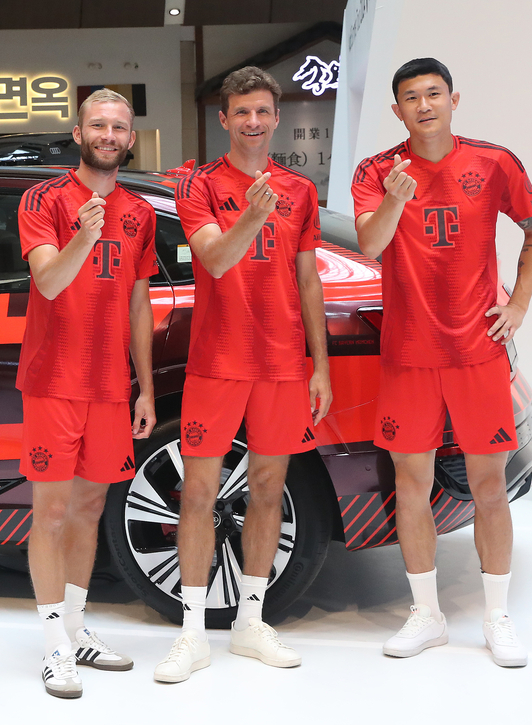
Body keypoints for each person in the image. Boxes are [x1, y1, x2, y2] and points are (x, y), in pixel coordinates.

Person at [352, 58, 532, 667]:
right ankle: (427, 615)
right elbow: (369, 244)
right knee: (411, 485)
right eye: (411, 97)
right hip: (409, 355)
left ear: (453, 99)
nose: (424, 105)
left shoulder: (493, 162)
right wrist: (392, 201)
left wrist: (517, 305)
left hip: (475, 353)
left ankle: (497, 617)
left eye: (434, 93)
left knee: (489, 486)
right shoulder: (378, 170)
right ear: (397, 110)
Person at [154, 66, 332, 683]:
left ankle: (252, 623)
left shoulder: (301, 190)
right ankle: (194, 632)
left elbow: (309, 281)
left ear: (276, 118)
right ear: (223, 119)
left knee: (266, 489)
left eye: (263, 111)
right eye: (241, 112)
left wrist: (320, 366)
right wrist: (253, 216)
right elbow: (215, 258)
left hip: (282, 364)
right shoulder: (199, 186)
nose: (253, 122)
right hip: (217, 362)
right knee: (198, 495)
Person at [17, 89, 158, 698]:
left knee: (89, 510)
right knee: (49, 514)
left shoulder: (140, 210)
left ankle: (75, 629)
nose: (108, 134)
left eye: (118, 127)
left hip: (109, 386)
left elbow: (137, 300)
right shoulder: (42, 199)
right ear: (78, 132)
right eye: (97, 125)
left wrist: (145, 388)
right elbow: (47, 280)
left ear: (131, 139)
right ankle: (52, 645)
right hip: (53, 381)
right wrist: (84, 235)